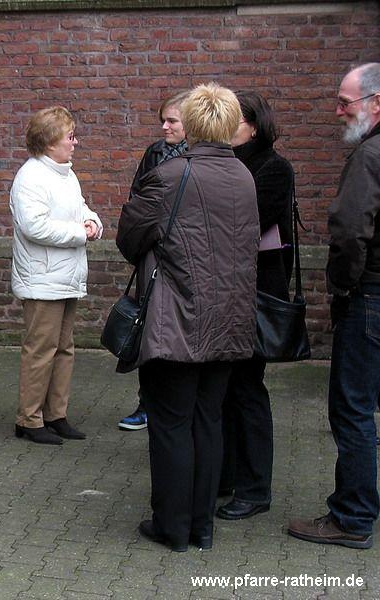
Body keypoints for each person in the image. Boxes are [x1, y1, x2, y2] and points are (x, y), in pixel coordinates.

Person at [117, 83, 259, 551]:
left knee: (172, 424)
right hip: (228, 320)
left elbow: (129, 239)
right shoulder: (244, 177)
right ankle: (202, 527)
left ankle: (173, 528)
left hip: (175, 320)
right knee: (208, 421)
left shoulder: (170, 175)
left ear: (194, 123)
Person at [288, 62, 380, 550]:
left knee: (352, 410)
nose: (338, 111)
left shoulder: (369, 157)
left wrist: (342, 288)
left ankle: (353, 517)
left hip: (370, 299)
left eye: (346, 102)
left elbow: (349, 233)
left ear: (376, 102)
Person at [216, 91, 295, 520]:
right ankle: (226, 475)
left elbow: (244, 225)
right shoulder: (228, 163)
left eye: (235, 120)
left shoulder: (272, 168)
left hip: (255, 295)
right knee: (226, 389)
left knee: (247, 389)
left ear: (253, 126)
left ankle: (254, 488)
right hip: (226, 293)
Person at [10, 106, 103, 445]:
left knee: (63, 349)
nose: (75, 142)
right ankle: (29, 419)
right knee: (41, 350)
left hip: (65, 277)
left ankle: (55, 415)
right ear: (50, 142)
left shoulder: (66, 174)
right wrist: (80, 232)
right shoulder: (31, 177)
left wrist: (92, 222)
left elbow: (80, 208)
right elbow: (35, 227)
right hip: (42, 279)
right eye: (70, 136)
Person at [118, 91, 188, 432]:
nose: (164, 127)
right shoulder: (155, 153)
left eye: (172, 121)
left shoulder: (201, 157)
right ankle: (147, 404)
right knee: (149, 330)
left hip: (185, 260)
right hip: (154, 257)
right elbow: (137, 201)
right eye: (163, 120)